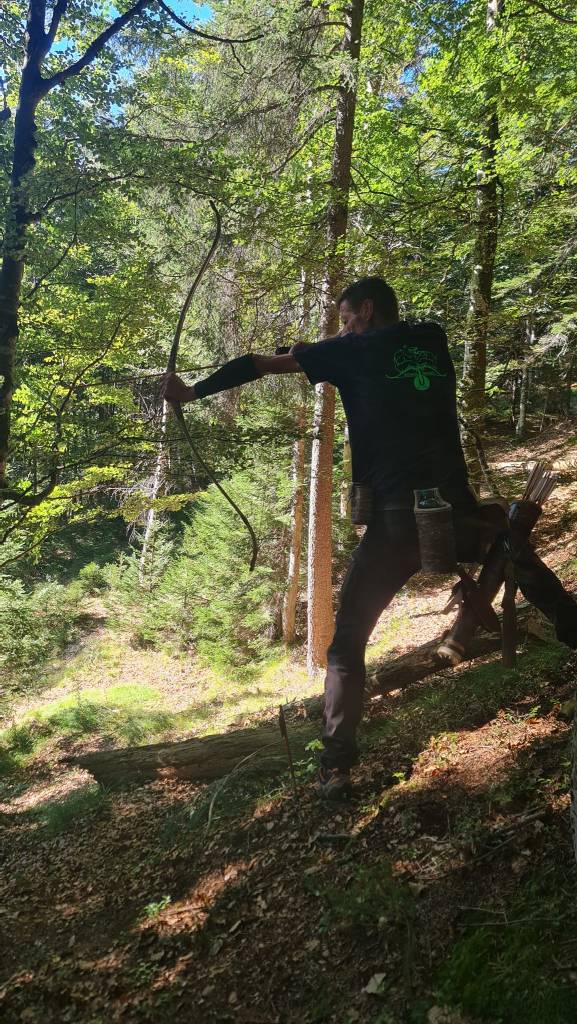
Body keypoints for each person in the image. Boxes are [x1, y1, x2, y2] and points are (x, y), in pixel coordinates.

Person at [162, 275, 577, 800]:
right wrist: (328, 347)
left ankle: (335, 765)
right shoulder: (431, 338)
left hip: (398, 525)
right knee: (513, 551)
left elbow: (259, 364)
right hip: (456, 513)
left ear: (366, 307)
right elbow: (382, 353)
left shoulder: (349, 352)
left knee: (347, 643)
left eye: (347, 318)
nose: (344, 328)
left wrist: (191, 391)